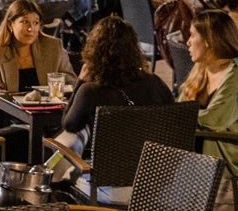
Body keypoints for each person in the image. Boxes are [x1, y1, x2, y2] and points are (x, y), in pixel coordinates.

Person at [59, 14, 172, 145]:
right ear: (134, 49)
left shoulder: (90, 91)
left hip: (107, 163)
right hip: (152, 161)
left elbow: (69, 125)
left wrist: (80, 81)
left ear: (94, 50)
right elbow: (172, 115)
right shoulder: (154, 82)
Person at [178, 10, 238, 180]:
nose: (187, 42)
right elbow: (181, 106)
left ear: (208, 40)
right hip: (204, 142)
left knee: (157, 157)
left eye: (192, 36)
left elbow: (216, 119)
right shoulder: (203, 66)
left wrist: (174, 117)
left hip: (226, 150)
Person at [0, 0, 76, 103]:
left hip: (49, 112)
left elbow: (71, 83)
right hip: (11, 114)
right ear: (10, 24)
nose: (31, 29)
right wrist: (20, 103)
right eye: (25, 22)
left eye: (35, 22)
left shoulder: (53, 47)